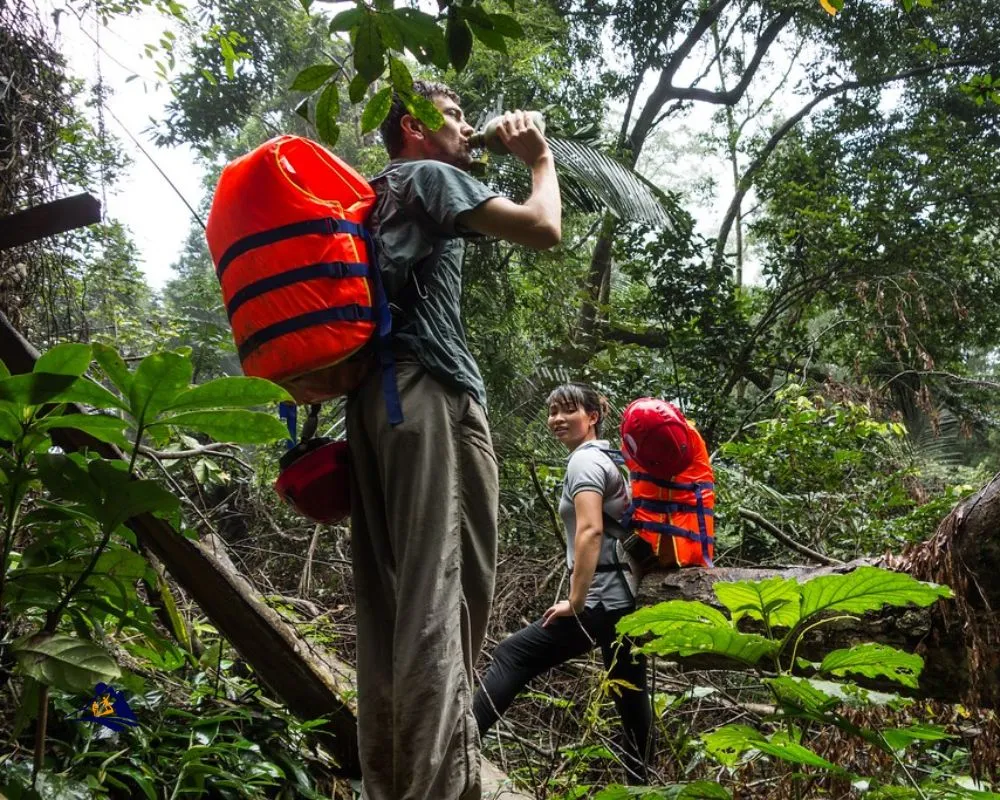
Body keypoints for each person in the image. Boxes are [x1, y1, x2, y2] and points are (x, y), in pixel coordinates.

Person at [346, 80, 561, 800]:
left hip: (375, 406)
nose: (469, 128)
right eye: (456, 116)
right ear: (413, 126)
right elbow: (543, 227)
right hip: (429, 393)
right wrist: (538, 157)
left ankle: (398, 783)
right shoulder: (428, 175)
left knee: (394, 608)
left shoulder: (381, 191)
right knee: (444, 600)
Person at [472, 383, 653, 784]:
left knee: (512, 654)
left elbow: (589, 531)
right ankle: (642, 785)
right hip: (628, 596)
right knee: (630, 693)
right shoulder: (614, 457)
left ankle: (455, 751)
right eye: (552, 411)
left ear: (592, 417)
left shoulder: (584, 464)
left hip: (603, 600)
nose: (556, 419)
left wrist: (575, 600)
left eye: (567, 410)